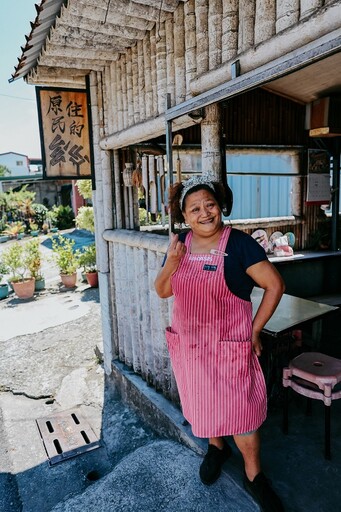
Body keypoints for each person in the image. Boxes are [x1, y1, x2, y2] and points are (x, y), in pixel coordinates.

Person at [154, 175, 286, 512]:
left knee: (242, 415)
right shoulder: (180, 243)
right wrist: (171, 261)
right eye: (194, 208)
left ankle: (253, 476)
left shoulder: (240, 245)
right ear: (184, 216)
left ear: (220, 206)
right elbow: (163, 290)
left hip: (230, 345)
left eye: (209, 204)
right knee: (204, 403)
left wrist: (255, 330)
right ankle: (217, 447)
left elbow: (275, 285)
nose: (204, 213)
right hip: (192, 349)